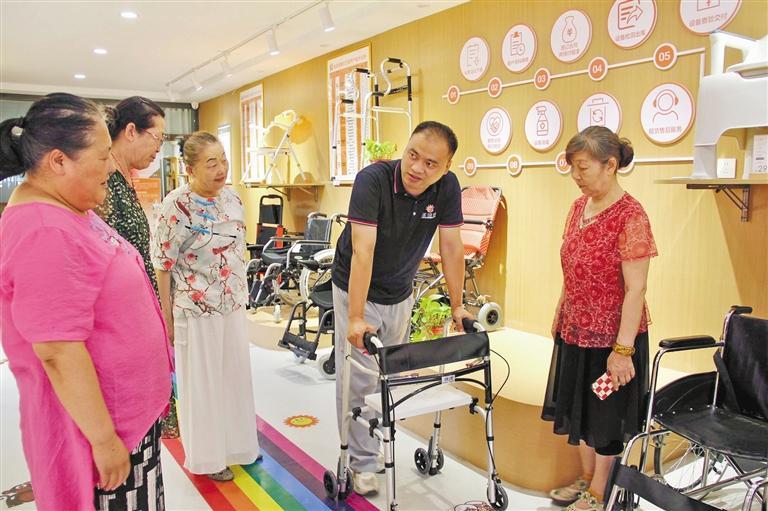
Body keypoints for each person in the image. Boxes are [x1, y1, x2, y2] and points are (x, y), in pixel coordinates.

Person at [0, 93, 172, 510]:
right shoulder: (44, 229)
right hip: (102, 429)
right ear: (59, 161)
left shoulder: (66, 207)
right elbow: (58, 349)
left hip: (128, 418)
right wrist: (104, 439)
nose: (111, 166)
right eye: (101, 156)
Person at [332, 121, 473, 495]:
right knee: (360, 376)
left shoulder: (447, 188)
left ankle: (371, 443)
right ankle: (360, 461)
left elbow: (452, 247)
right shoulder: (373, 180)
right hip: (357, 287)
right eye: (413, 155)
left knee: (389, 374)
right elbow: (363, 250)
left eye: (431, 163)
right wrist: (356, 317)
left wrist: (458, 305)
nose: (417, 168)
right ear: (405, 148)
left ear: (446, 167)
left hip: (399, 289)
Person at [542, 126, 657, 511]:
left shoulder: (631, 216)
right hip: (576, 330)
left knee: (605, 415)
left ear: (610, 165)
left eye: (583, 168)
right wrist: (561, 312)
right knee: (580, 409)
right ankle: (587, 478)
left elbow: (636, 290)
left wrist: (622, 352)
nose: (576, 176)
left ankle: (599, 492)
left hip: (612, 342)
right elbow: (571, 267)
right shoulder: (579, 207)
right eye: (572, 168)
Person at [153, 131, 261, 481]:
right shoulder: (176, 205)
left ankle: (238, 446)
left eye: (223, 160)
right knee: (203, 384)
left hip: (232, 303)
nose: (221, 169)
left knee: (234, 377)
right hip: (196, 308)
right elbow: (162, 264)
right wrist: (166, 316)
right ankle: (209, 458)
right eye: (211, 163)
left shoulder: (232, 197)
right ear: (190, 169)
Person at [97, 95, 180, 439]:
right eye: (157, 137)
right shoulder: (104, 187)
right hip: (121, 326)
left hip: (140, 316)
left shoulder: (124, 181)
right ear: (131, 131)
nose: (159, 148)